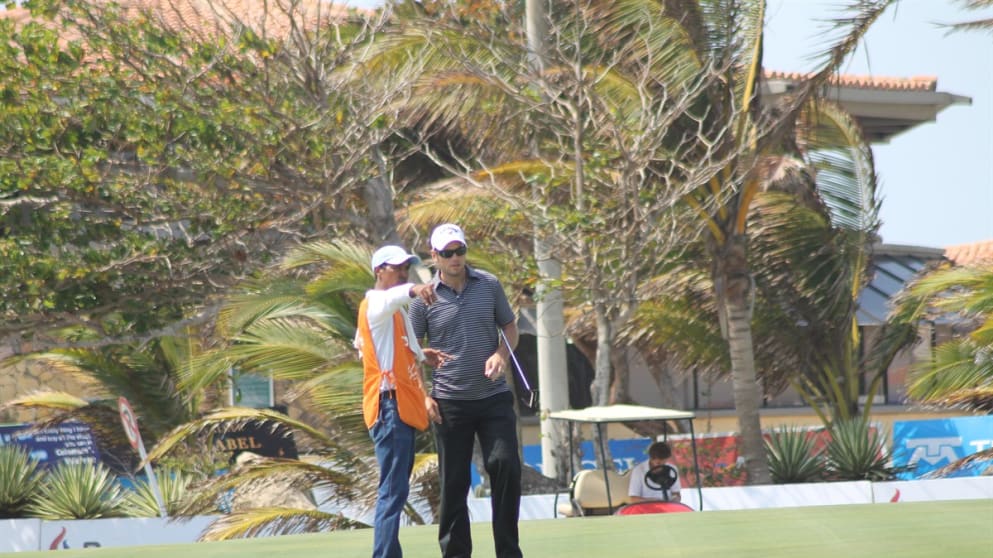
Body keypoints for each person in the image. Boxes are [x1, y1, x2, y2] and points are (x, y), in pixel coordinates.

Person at [408, 223, 523, 558]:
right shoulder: (423, 299)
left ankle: (508, 551)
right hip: (449, 403)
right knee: (454, 482)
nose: (456, 258)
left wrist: (501, 355)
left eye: (460, 251)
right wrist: (424, 396)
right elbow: (411, 352)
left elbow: (511, 327)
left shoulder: (488, 284)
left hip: (493, 397)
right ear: (434, 257)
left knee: (505, 465)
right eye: (447, 253)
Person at [355, 244, 447, 558]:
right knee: (392, 492)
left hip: (397, 406)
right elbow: (393, 297)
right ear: (379, 271)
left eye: (406, 268)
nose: (403, 272)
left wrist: (423, 355)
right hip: (389, 407)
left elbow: (366, 344)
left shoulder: (393, 313)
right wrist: (416, 287)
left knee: (396, 490)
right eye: (396, 268)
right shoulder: (378, 302)